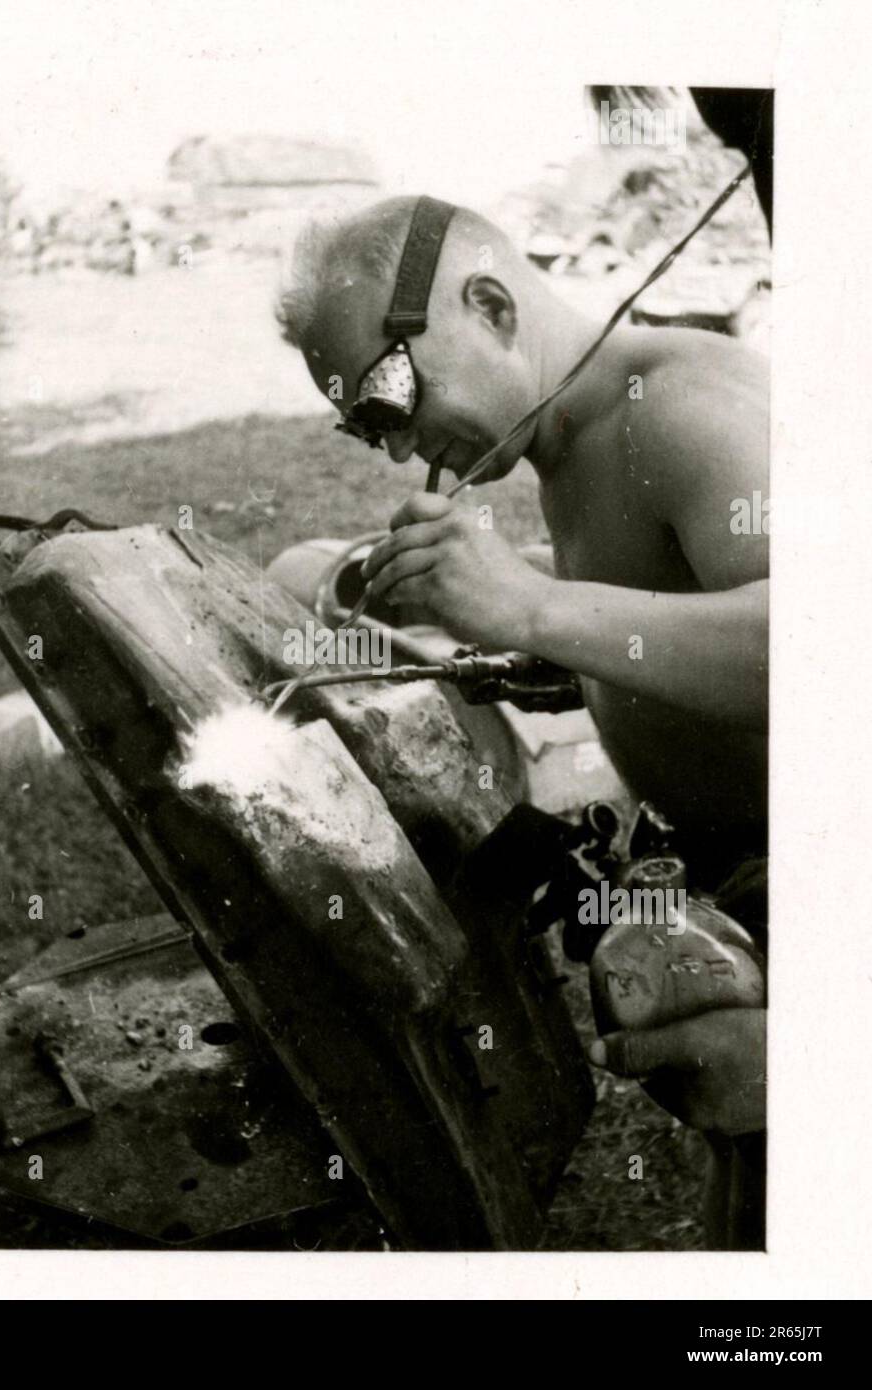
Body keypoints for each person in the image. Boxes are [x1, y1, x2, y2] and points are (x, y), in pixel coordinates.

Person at [277, 195, 768, 1245]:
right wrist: (522, 614)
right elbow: (669, 585)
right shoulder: (578, 437)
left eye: (391, 393)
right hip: (734, 877)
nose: (398, 448)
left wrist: (533, 608)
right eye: (365, 425)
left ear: (492, 305)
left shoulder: (677, 406)